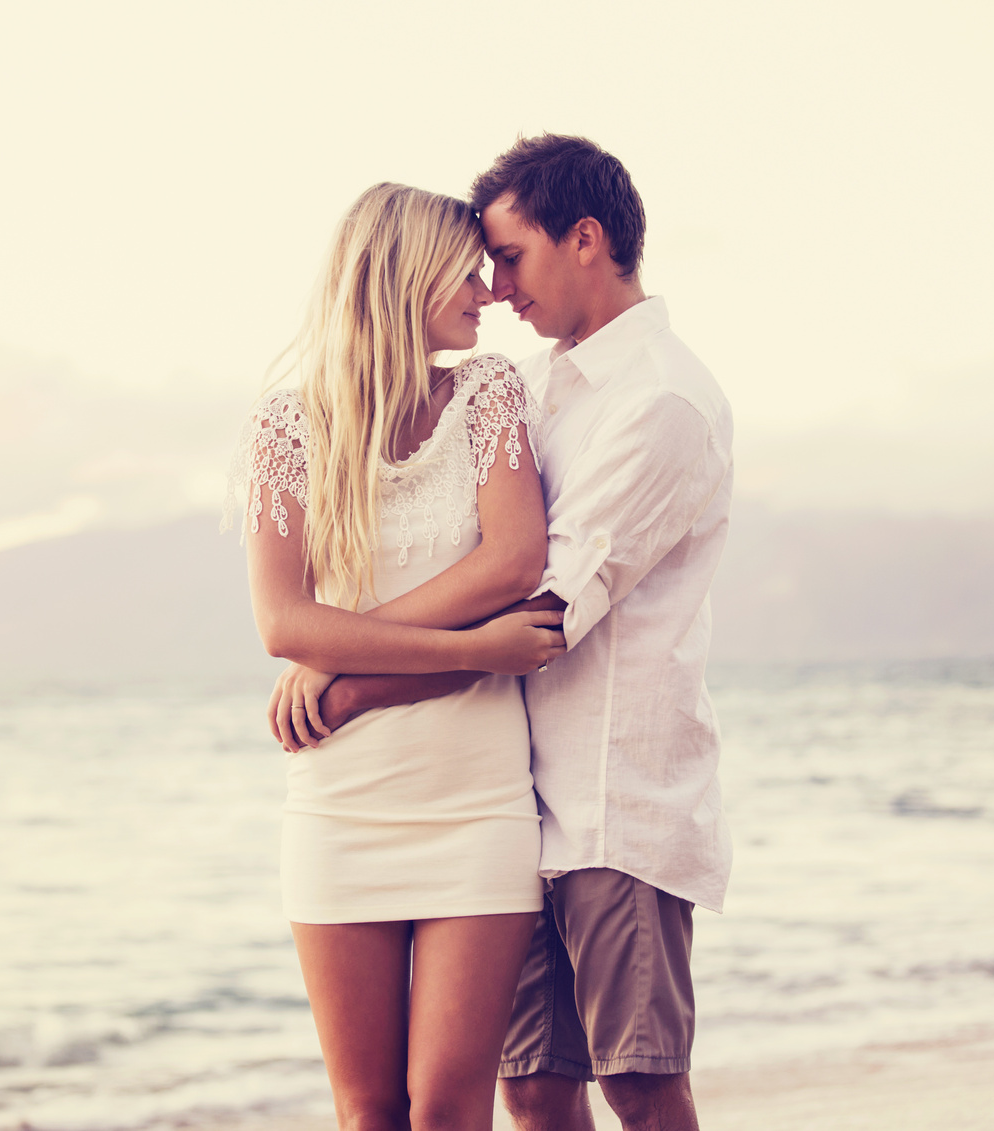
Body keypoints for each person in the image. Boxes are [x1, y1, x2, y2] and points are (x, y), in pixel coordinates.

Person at [314, 136, 734, 1131]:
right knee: (535, 1086)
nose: (495, 288)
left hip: (610, 799)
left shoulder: (659, 401)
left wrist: (344, 678)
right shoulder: (543, 390)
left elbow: (542, 606)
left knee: (636, 1078)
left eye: (509, 257)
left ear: (583, 239)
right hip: (511, 802)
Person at [225, 182, 568, 1131]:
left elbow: (514, 558)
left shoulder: (489, 391)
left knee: (450, 1108)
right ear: (402, 275)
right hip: (341, 809)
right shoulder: (286, 426)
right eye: (465, 270)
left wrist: (344, 665)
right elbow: (283, 624)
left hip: (477, 809)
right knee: (366, 1109)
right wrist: (469, 645)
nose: (488, 290)